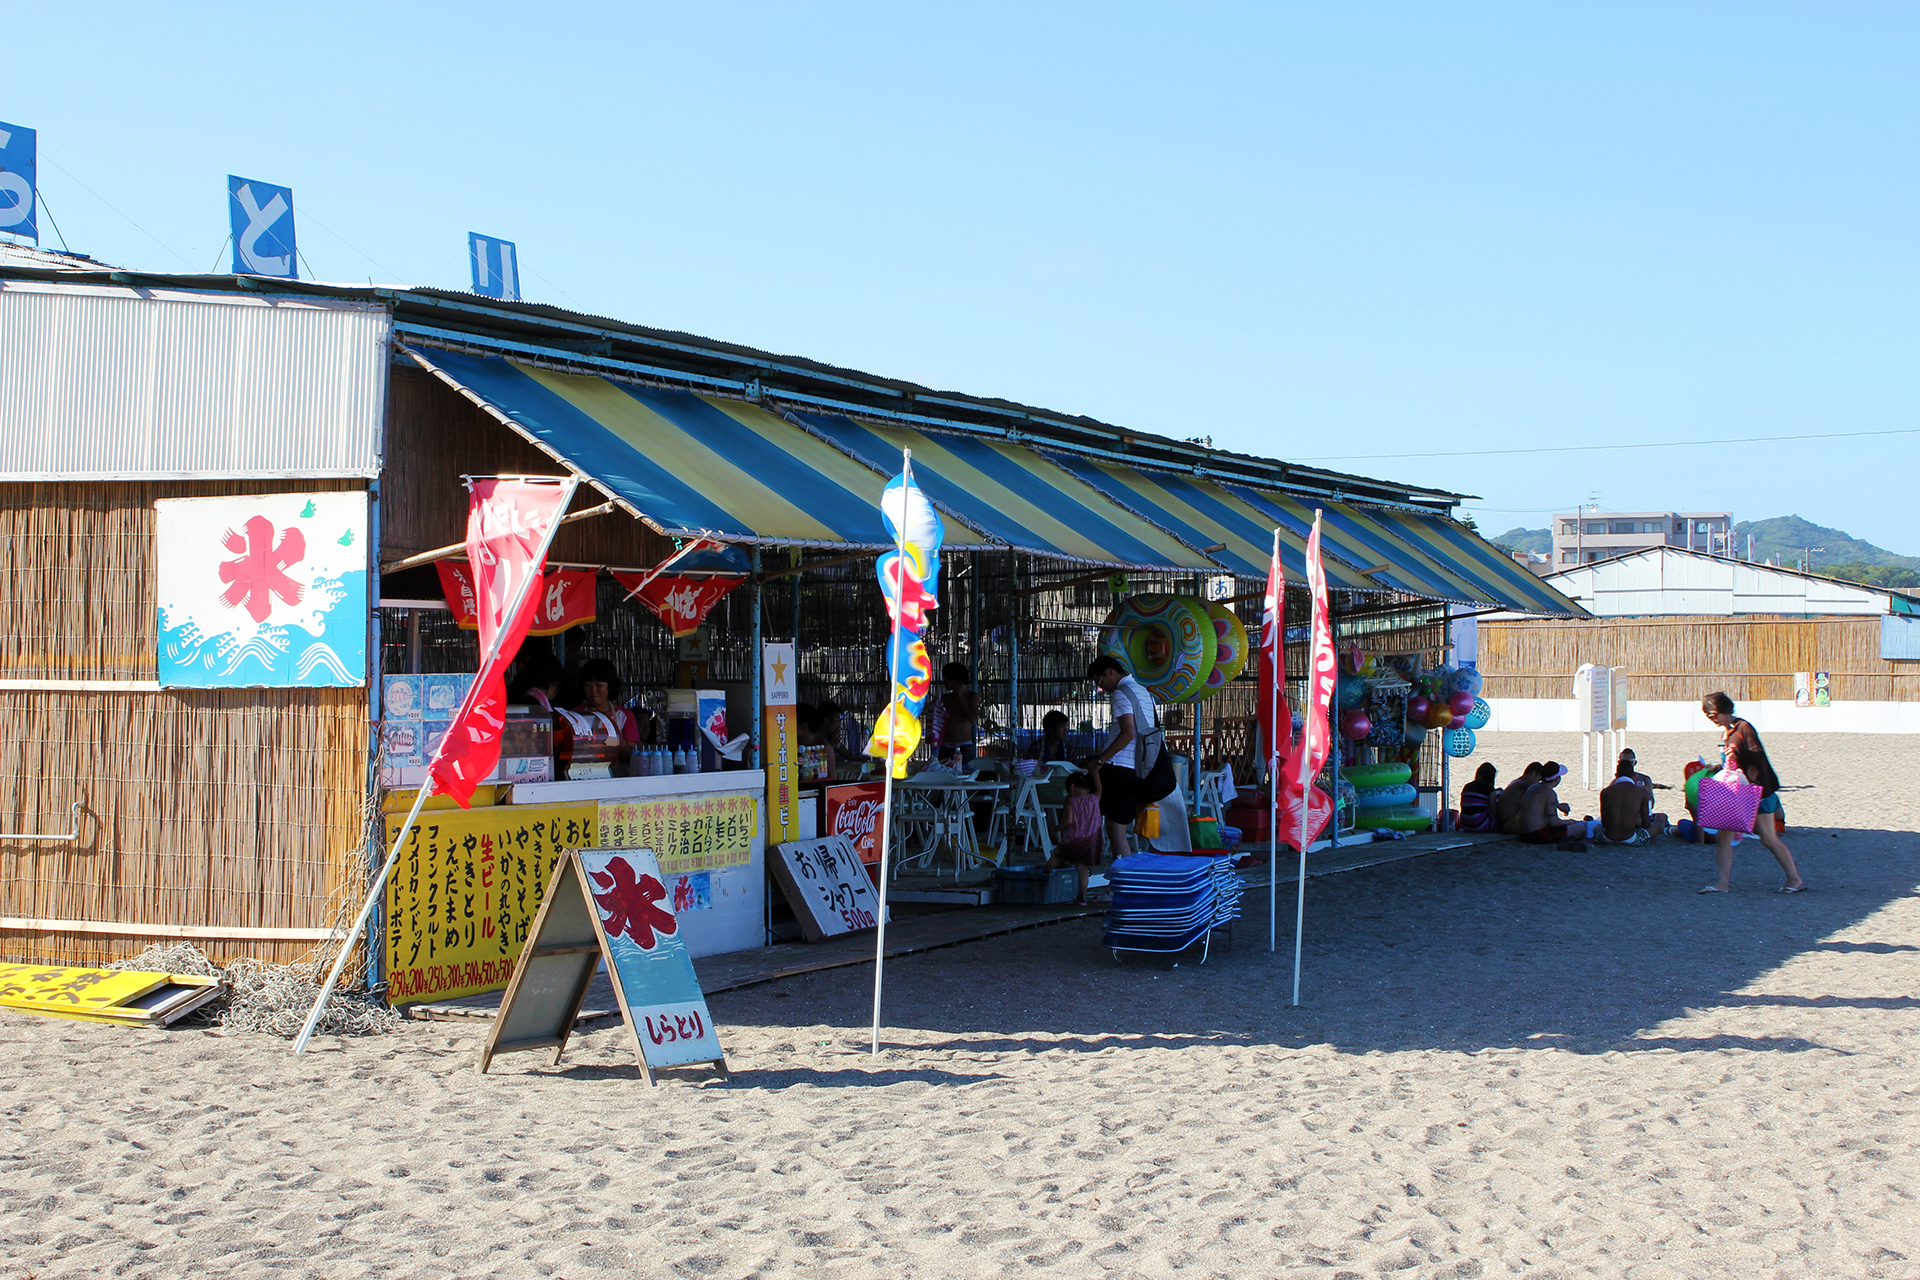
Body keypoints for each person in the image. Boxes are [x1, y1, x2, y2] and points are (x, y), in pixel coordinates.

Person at [1700, 692, 1805, 894]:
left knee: (1768, 839)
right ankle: (1722, 883)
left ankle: (1794, 878)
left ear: (1724, 710)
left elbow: (1757, 755)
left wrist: (1738, 752)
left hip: (1757, 792)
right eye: (1708, 715)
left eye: (1712, 714)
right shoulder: (1729, 730)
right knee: (1723, 837)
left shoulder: (1744, 727)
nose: (1710, 718)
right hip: (1738, 793)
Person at [1087, 654, 1158, 860]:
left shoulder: (1120, 694)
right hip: (1137, 766)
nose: (1102, 688)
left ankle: (1124, 879)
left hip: (1119, 766)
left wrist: (1100, 760)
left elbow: (1128, 733)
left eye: (1099, 682)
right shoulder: (1143, 692)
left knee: (1115, 829)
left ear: (1110, 672)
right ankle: (1126, 877)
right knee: (1117, 827)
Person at [573, 658, 641, 774]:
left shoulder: (624, 716)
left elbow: (633, 757)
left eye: (599, 685)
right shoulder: (574, 715)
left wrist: (619, 740)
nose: (593, 690)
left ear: (610, 686)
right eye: (588, 685)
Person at [1045, 769, 1103, 905]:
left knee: (1057, 857)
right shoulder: (1094, 799)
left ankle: (1043, 879)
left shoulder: (1071, 801)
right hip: (1090, 841)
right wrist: (1096, 775)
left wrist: (1056, 828)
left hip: (1073, 839)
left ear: (1071, 786)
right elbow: (1099, 790)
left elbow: (1068, 822)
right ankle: (1082, 897)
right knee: (1082, 869)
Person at [1600, 757, 1668, 844]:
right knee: (1656, 826)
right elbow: (1645, 824)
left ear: (1616, 775)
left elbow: (1604, 823)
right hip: (1630, 838)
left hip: (1608, 837)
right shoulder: (1641, 792)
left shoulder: (1606, 792)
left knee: (1595, 828)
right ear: (1634, 775)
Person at [1517, 762, 1577, 846]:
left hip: (1523, 834)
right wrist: (1570, 822)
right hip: (1537, 835)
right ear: (1557, 779)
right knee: (1580, 828)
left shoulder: (1533, 787)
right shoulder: (1550, 793)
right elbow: (1554, 822)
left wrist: (1558, 805)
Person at [937, 663, 980, 767]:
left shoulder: (972, 697)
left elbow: (973, 719)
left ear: (955, 679)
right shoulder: (945, 698)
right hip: (945, 746)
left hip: (963, 747)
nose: (944, 681)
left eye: (947, 678)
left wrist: (959, 697)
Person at [1494, 762, 1544, 835]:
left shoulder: (1517, 782)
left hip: (1505, 822)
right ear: (1533, 773)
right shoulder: (1521, 786)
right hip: (1508, 824)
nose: (1538, 783)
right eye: (1539, 779)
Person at [1458, 763, 1498, 833]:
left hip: (1465, 825)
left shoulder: (1467, 786)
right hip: (1480, 826)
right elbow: (1494, 811)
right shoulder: (1489, 789)